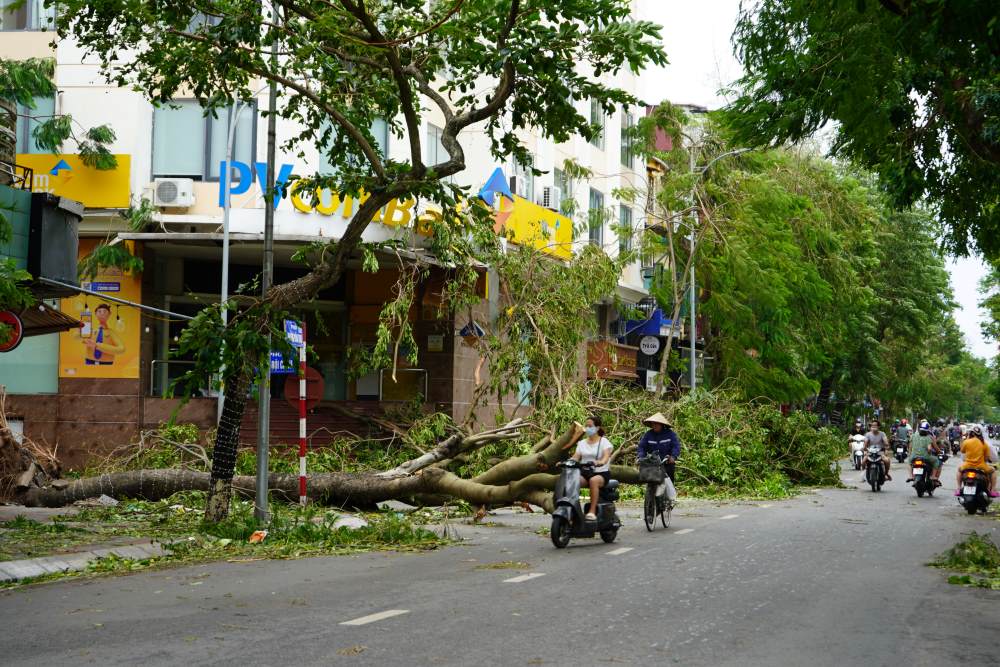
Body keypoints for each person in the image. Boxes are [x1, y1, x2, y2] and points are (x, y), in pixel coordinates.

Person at [572, 416, 614, 520]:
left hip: (601, 472)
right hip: (585, 472)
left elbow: (606, 457)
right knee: (573, 480)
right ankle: (573, 510)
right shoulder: (581, 443)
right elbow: (575, 457)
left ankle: (592, 511)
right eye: (586, 426)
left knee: (593, 481)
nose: (587, 428)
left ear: (597, 428)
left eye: (590, 426)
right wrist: (565, 462)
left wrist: (600, 462)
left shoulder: (604, 442)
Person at [955, 425, 999, 497]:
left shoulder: (967, 442)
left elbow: (962, 451)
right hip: (981, 466)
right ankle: (993, 490)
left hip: (967, 465)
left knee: (959, 470)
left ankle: (958, 488)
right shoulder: (984, 443)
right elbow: (987, 457)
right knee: (993, 471)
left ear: (971, 433)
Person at [637, 412, 681, 483]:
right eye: (653, 424)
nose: (654, 426)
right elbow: (641, 447)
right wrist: (641, 457)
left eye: (656, 424)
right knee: (653, 484)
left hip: (667, 463)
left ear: (661, 424)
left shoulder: (670, 434)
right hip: (654, 464)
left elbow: (676, 446)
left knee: (669, 484)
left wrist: (673, 456)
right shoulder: (648, 435)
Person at [907, 420, 941, 485]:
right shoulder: (929, 437)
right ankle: (933, 476)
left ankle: (911, 476)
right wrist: (931, 451)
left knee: (909, 462)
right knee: (936, 461)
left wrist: (910, 454)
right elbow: (929, 449)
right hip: (925, 457)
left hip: (914, 456)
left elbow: (910, 447)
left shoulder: (913, 436)